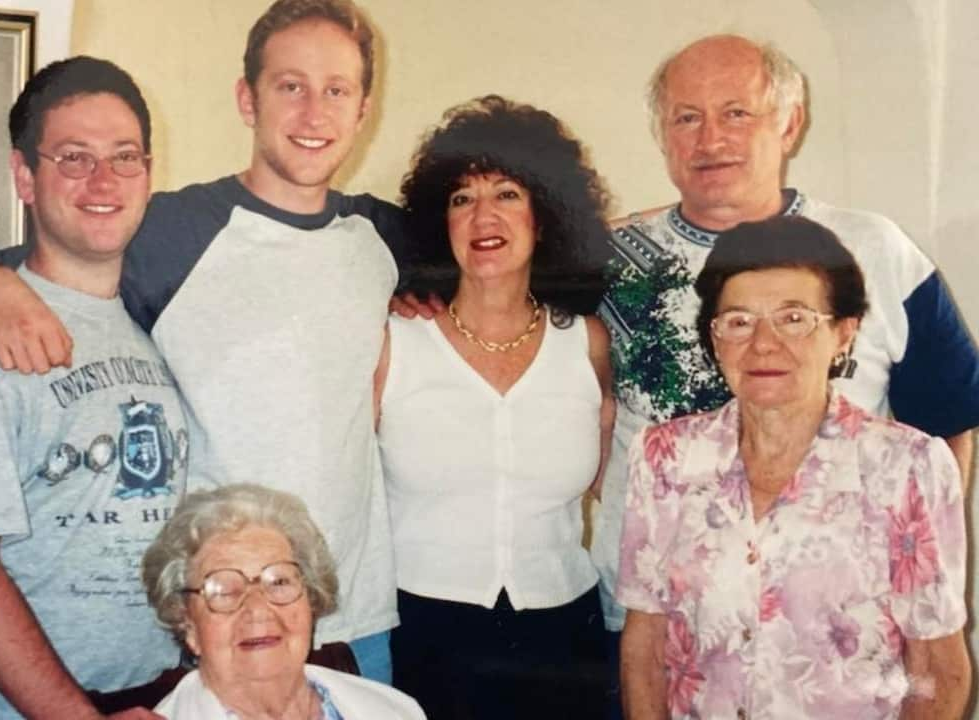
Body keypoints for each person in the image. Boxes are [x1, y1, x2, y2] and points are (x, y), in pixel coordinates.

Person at [0, 0, 405, 681]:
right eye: (289, 86)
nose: (313, 114)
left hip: (359, 622)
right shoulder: (170, 230)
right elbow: (11, 275)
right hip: (222, 623)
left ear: (363, 108)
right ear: (247, 98)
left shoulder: (379, 240)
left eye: (336, 91)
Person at [591, 33, 979, 659]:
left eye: (736, 113)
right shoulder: (609, 262)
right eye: (686, 118)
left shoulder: (876, 251)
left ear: (790, 123)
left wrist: (915, 579)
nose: (710, 139)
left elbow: (948, 426)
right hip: (655, 624)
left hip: (842, 637)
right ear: (663, 135)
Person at [0, 57, 185, 720]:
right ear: (25, 176)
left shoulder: (145, 335)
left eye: (125, 156)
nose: (104, 180)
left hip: (139, 699)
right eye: (74, 157)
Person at [617, 215, 970, 719]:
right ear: (715, 340)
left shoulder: (906, 467)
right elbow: (645, 647)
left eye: (794, 318)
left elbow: (938, 664)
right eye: (739, 321)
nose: (763, 344)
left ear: (844, 334)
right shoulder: (665, 458)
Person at [374, 95, 614, 717]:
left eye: (506, 192)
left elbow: (601, 480)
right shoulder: (392, 339)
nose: (484, 215)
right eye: (461, 197)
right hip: (423, 638)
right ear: (438, 221)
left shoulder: (587, 343)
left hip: (565, 635)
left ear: (546, 213)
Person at [143, 484, 427, 719]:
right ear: (186, 622)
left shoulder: (395, 710)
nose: (257, 610)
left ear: (311, 600)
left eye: (279, 582)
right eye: (225, 590)